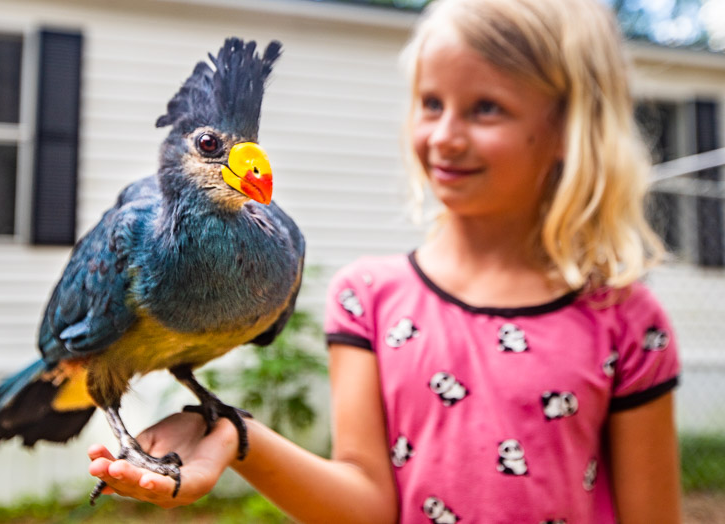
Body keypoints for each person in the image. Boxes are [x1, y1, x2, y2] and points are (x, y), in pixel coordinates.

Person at [88, 0, 683, 521]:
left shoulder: (625, 322)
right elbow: (368, 504)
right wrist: (232, 437)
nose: (445, 135)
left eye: (485, 108)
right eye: (431, 102)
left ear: (567, 131)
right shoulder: (370, 299)